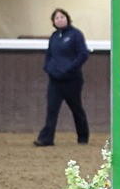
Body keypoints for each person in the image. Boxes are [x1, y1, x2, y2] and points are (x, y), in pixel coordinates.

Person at [34, 8, 90, 146]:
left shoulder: (75, 35)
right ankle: (46, 138)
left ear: (67, 18)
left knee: (76, 108)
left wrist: (70, 69)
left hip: (72, 80)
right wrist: (48, 67)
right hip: (55, 80)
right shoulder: (54, 37)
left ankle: (83, 137)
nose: (59, 19)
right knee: (52, 109)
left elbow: (83, 54)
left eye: (62, 17)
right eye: (56, 18)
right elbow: (49, 54)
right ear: (53, 22)